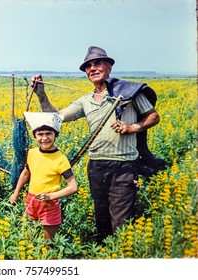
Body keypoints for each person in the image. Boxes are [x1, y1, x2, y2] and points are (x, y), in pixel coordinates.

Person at [31, 46, 161, 243]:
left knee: (121, 220)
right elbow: (55, 118)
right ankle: (105, 256)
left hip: (123, 166)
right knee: (101, 217)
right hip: (96, 166)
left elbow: (153, 116)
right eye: (88, 66)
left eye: (98, 63)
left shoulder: (129, 93)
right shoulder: (86, 101)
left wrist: (131, 127)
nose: (92, 68)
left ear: (108, 67)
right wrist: (41, 94)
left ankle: (122, 255)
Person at [10, 112, 78, 241]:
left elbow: (73, 186)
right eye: (40, 134)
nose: (44, 138)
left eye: (49, 134)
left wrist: (51, 196)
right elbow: (25, 173)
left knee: (49, 243)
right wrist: (16, 193)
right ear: (35, 136)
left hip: (49, 204)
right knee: (28, 238)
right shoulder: (32, 153)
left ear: (55, 135)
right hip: (31, 200)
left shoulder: (61, 159)